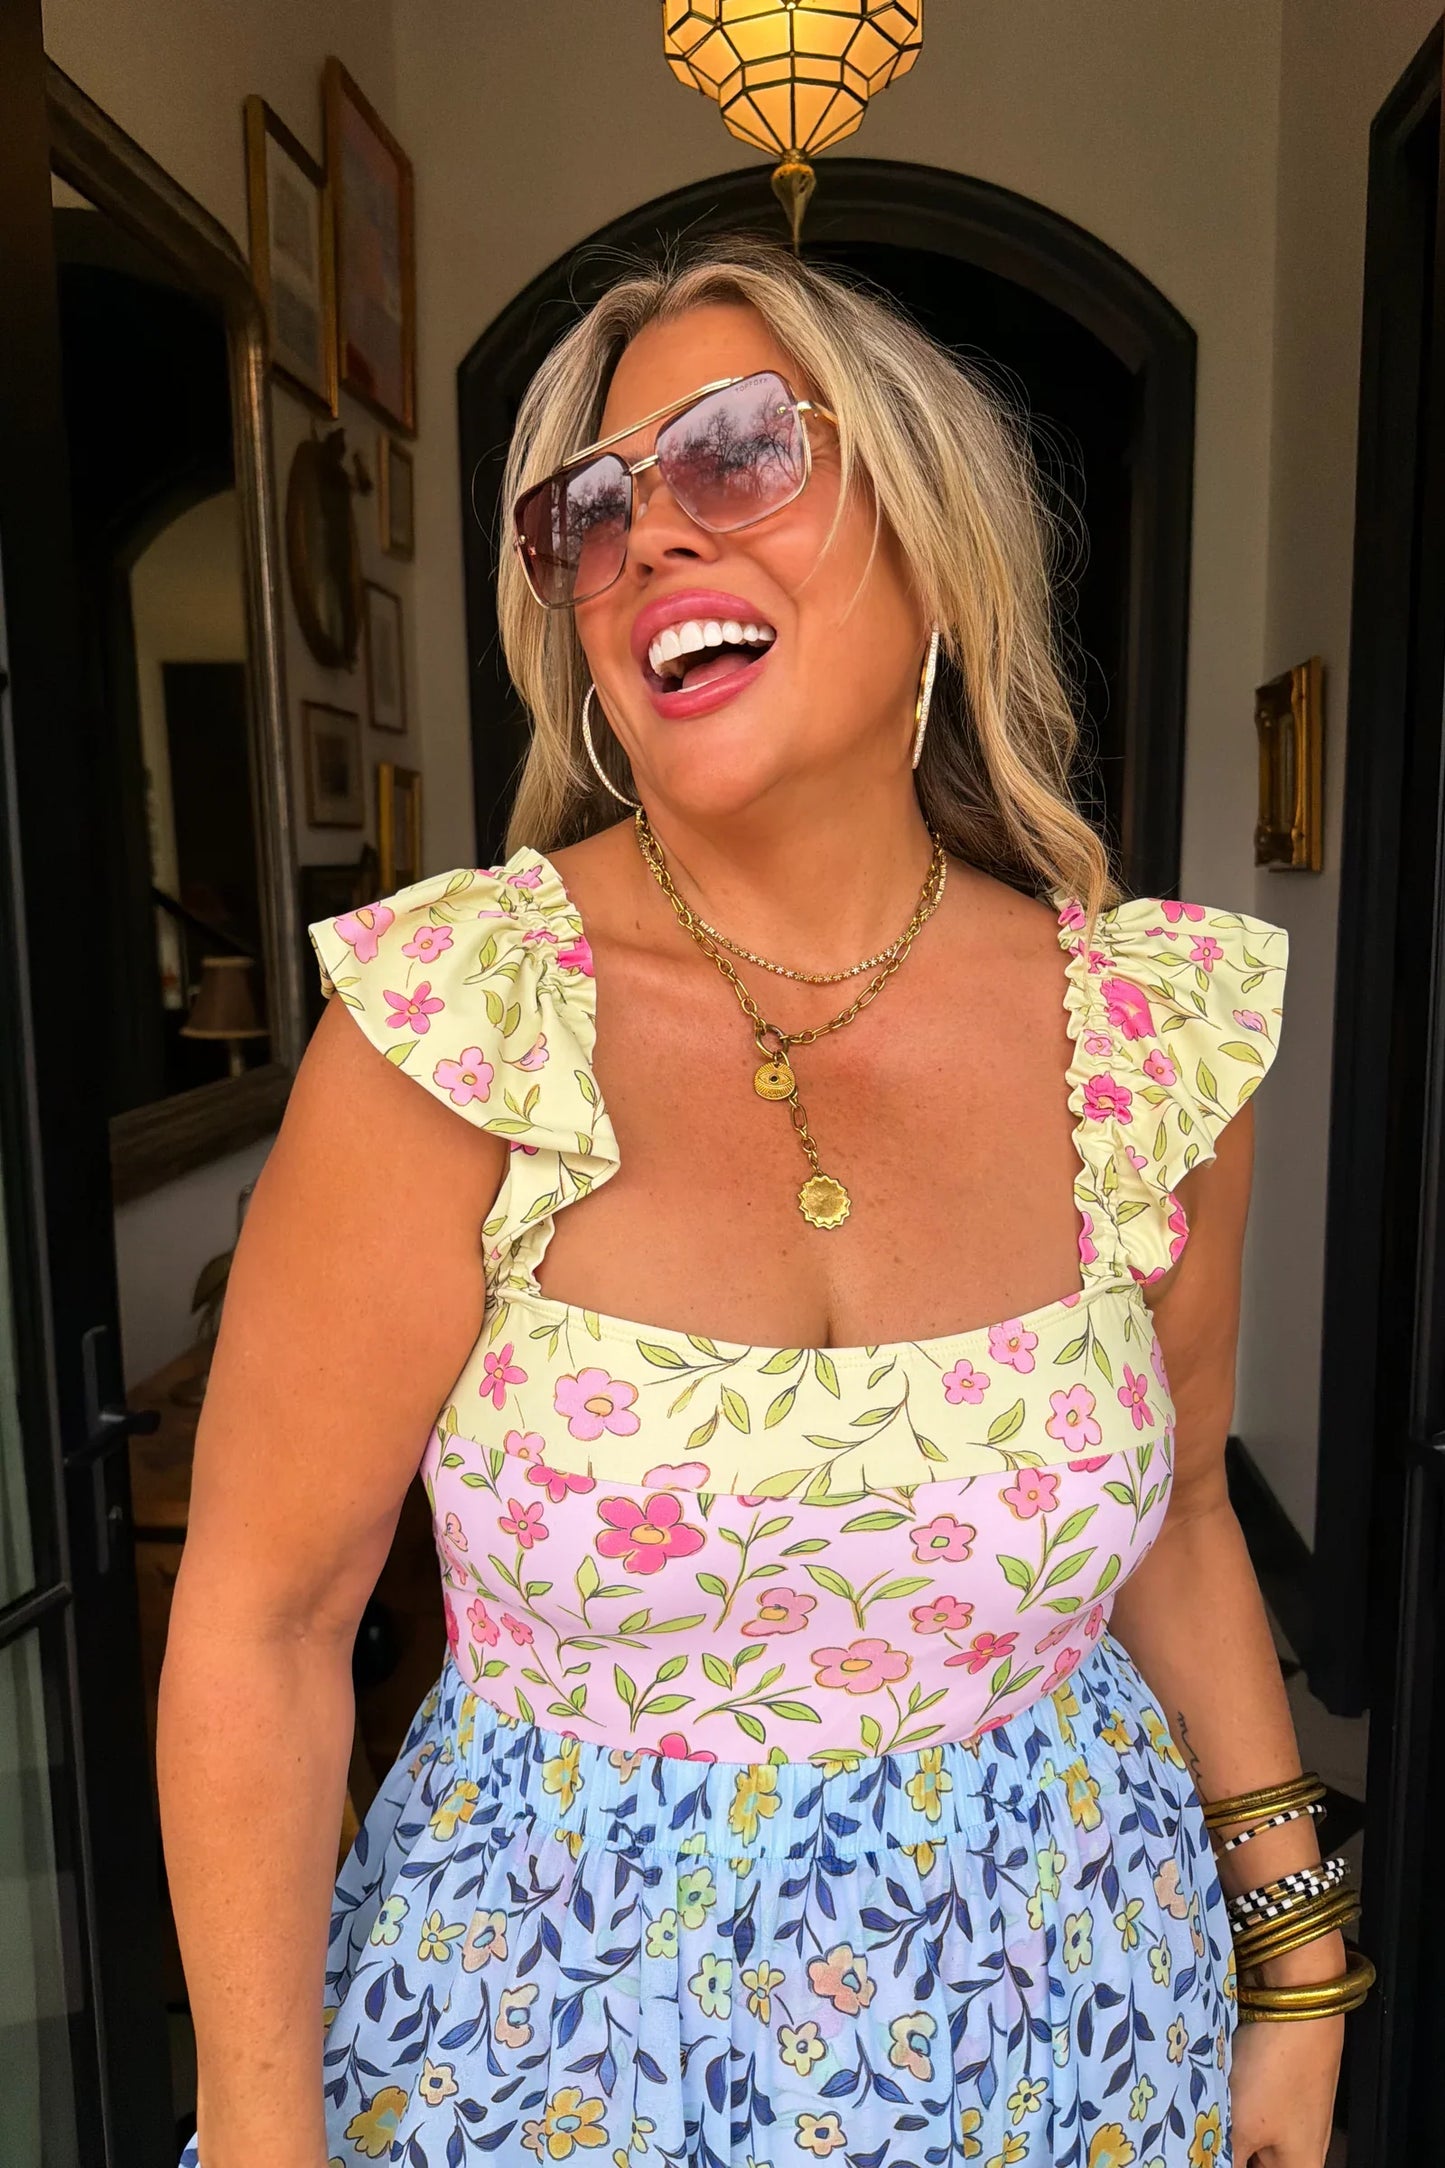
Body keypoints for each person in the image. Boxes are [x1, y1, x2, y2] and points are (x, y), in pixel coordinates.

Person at [163, 237, 1368, 2168]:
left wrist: (1294, 1976)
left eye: (734, 452)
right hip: (542, 2069)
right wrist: (257, 2136)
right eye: (586, 514)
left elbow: (1184, 1521)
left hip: (1071, 2044)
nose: (646, 536)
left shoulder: (1146, 1038)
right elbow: (267, 1620)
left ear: (933, 536)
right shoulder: (458, 1026)